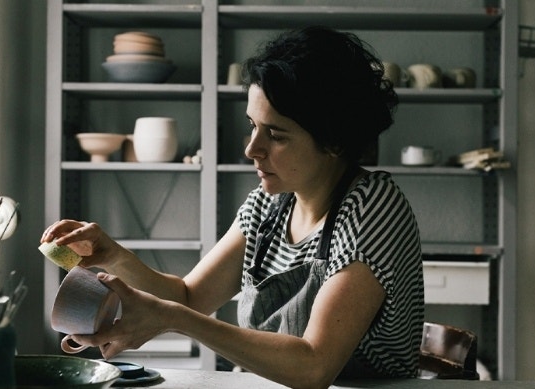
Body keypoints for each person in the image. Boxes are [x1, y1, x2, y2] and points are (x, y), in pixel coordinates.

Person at [41, 26, 424, 389]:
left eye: (275, 134)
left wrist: (173, 319)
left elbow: (313, 366)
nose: (251, 149)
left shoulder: (372, 206)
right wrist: (113, 256)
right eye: (252, 126)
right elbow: (191, 297)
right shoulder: (268, 205)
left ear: (334, 141)